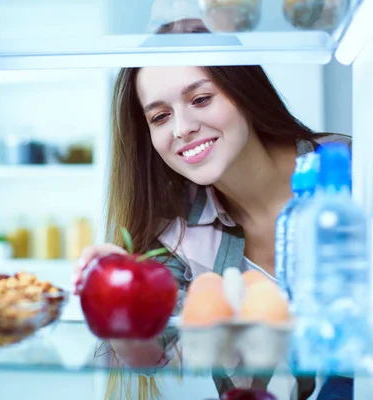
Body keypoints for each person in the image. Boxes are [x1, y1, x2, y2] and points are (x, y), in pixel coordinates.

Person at [72, 2, 352, 399]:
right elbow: (152, 356)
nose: (182, 129)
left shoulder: (352, 168)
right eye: (160, 117)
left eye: (201, 99)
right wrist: (118, 297)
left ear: (244, 91)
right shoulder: (176, 235)